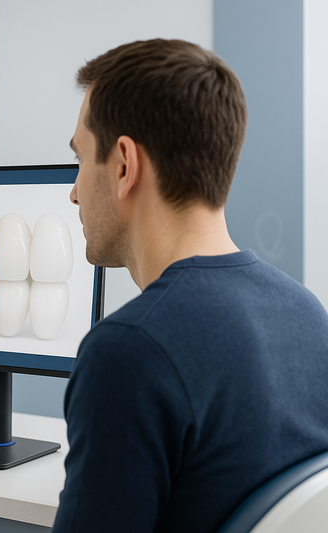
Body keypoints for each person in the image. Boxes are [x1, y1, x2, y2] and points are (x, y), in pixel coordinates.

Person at [53, 39, 328, 532]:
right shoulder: (309, 315)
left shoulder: (128, 353)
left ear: (123, 165)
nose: (74, 193)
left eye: (80, 160)